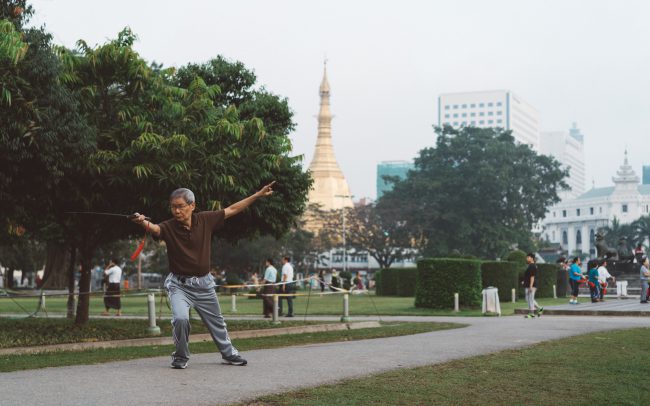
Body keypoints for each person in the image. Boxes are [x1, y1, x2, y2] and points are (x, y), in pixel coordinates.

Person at [132, 182, 275, 369]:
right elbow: (156, 229)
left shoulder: (206, 219)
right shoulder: (168, 227)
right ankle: (181, 356)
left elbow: (232, 209)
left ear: (192, 206)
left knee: (217, 322)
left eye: (180, 206)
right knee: (181, 319)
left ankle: (229, 354)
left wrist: (256, 195)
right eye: (173, 207)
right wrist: (142, 221)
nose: (176, 211)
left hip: (204, 284)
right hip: (179, 285)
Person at [523, 253, 543, 318]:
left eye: (528, 257)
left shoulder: (532, 266)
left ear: (531, 258)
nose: (527, 258)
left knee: (530, 299)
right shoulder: (531, 265)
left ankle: (531, 313)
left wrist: (531, 286)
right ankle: (539, 308)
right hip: (528, 285)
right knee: (527, 299)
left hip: (531, 285)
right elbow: (529, 276)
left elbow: (532, 277)